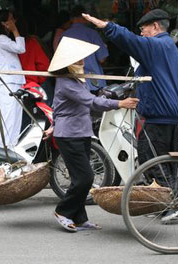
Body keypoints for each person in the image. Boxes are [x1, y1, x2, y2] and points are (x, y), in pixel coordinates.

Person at [82, 10, 178, 189]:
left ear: (155, 26)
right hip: (171, 115)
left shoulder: (154, 46)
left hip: (158, 114)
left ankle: (174, 198)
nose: (141, 33)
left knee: (150, 158)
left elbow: (130, 40)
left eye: (143, 28)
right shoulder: (170, 47)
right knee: (165, 160)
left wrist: (107, 26)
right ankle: (170, 199)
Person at [44, 37, 138, 232]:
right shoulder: (66, 82)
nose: (82, 62)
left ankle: (79, 218)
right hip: (69, 135)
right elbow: (91, 102)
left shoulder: (76, 80)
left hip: (81, 132)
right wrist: (119, 104)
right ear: (68, 63)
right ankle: (63, 211)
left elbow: (61, 108)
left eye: (82, 59)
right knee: (84, 178)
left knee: (83, 177)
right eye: (78, 60)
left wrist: (54, 124)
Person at [0, 10, 26, 148]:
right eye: (11, 19)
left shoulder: (1, 39)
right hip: (7, 83)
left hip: (13, 82)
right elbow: (21, 48)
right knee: (9, 118)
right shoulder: (0, 39)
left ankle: (10, 148)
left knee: (15, 118)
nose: (14, 21)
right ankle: (1, 148)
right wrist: (15, 30)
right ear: (4, 23)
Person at [61, 6, 109, 92]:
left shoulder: (65, 35)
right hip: (93, 82)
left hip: (72, 83)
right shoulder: (92, 33)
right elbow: (102, 59)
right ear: (84, 18)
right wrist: (105, 47)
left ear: (71, 19)